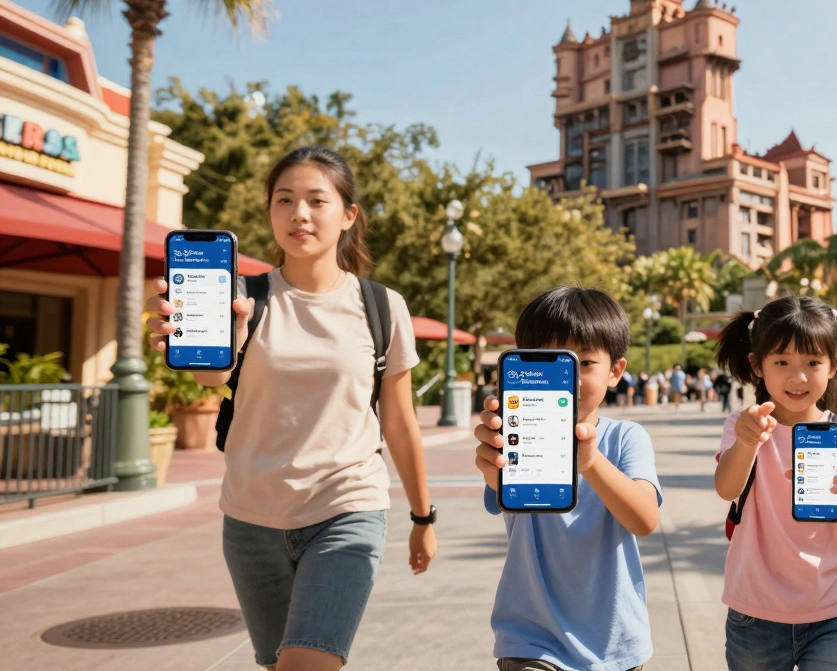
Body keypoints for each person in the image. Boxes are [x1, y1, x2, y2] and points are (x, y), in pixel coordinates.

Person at [145, 147, 436, 670]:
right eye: (284, 200)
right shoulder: (240, 297)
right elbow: (212, 375)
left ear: (348, 215)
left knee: (307, 664)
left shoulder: (382, 305)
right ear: (270, 213)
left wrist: (422, 516)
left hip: (347, 506)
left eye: (316, 200)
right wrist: (182, 339)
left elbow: (398, 420)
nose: (298, 213)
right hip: (251, 518)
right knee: (278, 663)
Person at [473, 286, 662, 671]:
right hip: (531, 638)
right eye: (550, 362)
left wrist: (591, 463)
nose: (569, 378)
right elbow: (500, 489)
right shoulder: (515, 433)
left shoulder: (626, 438)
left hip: (615, 643)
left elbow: (644, 520)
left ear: (616, 372)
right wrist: (493, 468)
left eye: (586, 363)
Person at [713, 295, 837, 671]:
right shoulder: (743, 425)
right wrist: (749, 440)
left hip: (831, 610)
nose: (797, 377)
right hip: (754, 614)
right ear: (757, 365)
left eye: (813, 362)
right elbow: (726, 489)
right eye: (781, 362)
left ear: (833, 365)